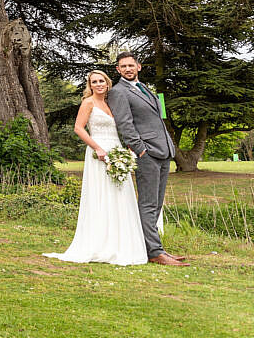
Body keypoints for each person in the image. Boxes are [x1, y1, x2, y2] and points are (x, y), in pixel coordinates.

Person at [44, 70, 148, 265]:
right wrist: (97, 148)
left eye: (101, 81)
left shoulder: (111, 103)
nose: (99, 84)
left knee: (119, 194)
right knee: (102, 195)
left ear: (107, 83)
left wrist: (127, 147)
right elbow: (78, 128)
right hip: (99, 152)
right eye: (94, 82)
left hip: (116, 149)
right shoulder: (88, 102)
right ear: (90, 85)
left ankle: (119, 243)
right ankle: (99, 243)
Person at [108, 51, 189, 266]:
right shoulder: (118, 92)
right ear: (118, 70)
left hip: (164, 152)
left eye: (130, 65)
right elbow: (125, 124)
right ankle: (154, 252)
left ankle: (154, 247)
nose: (127, 69)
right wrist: (140, 149)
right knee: (147, 204)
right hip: (147, 154)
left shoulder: (145, 89)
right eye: (123, 66)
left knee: (157, 203)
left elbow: (157, 121)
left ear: (139, 67)